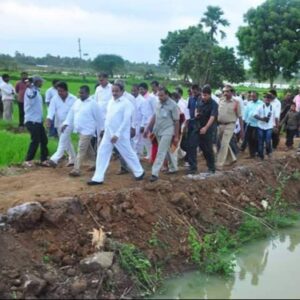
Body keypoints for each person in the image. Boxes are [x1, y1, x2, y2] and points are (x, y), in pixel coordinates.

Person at [88, 83, 145, 185]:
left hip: (120, 135)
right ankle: (98, 177)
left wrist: (117, 134)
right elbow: (108, 118)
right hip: (109, 133)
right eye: (113, 91)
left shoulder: (127, 104)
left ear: (122, 91)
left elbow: (125, 121)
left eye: (116, 91)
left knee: (128, 153)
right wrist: (105, 130)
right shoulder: (111, 102)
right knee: (102, 152)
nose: (114, 93)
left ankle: (139, 172)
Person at [62, 86, 103, 177]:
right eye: (79, 92)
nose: (80, 94)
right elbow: (71, 113)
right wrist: (66, 123)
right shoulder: (77, 102)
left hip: (88, 130)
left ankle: (76, 169)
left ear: (88, 93)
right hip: (79, 129)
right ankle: (94, 163)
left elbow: (99, 118)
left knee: (81, 148)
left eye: (82, 93)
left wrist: (102, 130)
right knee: (88, 148)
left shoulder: (93, 104)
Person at [144, 87, 180, 182]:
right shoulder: (158, 103)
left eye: (162, 95)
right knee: (167, 150)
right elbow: (155, 116)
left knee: (161, 151)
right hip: (158, 130)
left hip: (168, 130)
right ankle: (174, 167)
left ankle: (154, 173)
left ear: (167, 95)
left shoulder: (173, 105)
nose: (160, 97)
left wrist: (176, 136)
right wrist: (148, 128)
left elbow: (177, 121)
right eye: (158, 95)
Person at [46, 82, 77, 167]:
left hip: (69, 123)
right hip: (59, 123)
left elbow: (75, 112)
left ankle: (54, 159)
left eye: (61, 91)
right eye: (58, 91)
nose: (59, 93)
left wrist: (67, 123)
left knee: (62, 141)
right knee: (67, 142)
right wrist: (49, 119)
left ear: (66, 90)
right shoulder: (55, 99)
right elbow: (51, 110)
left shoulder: (73, 99)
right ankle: (73, 159)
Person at [216, 85, 244, 170]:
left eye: (227, 91)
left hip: (230, 125)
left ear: (232, 92)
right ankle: (232, 158)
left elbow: (240, 117)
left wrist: (242, 130)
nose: (225, 93)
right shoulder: (220, 101)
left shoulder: (236, 102)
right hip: (220, 125)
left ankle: (219, 164)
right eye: (224, 91)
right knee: (223, 143)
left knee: (224, 143)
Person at [193, 85, 218, 174]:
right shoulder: (200, 99)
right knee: (202, 147)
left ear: (210, 95)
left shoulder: (214, 104)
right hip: (199, 126)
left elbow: (212, 117)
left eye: (205, 95)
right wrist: (196, 114)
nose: (204, 97)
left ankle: (212, 168)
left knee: (208, 148)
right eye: (203, 95)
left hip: (209, 128)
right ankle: (208, 165)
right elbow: (196, 108)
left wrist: (206, 128)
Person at [23, 76, 48, 167]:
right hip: (31, 120)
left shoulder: (37, 91)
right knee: (35, 140)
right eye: (40, 82)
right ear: (36, 82)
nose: (42, 83)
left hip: (38, 121)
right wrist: (30, 87)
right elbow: (31, 99)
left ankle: (44, 159)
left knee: (44, 140)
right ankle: (28, 160)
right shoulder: (30, 91)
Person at [254, 93, 276, 160]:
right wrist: (261, 118)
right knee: (260, 141)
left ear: (271, 100)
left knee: (268, 141)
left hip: (269, 127)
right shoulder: (259, 106)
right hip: (260, 126)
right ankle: (261, 156)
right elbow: (254, 115)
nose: (267, 99)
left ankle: (269, 152)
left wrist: (274, 126)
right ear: (264, 99)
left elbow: (274, 118)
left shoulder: (273, 108)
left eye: (269, 98)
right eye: (266, 98)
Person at [186, 84, 202, 174]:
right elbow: (188, 111)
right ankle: (192, 165)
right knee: (189, 144)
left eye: (196, 90)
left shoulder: (201, 100)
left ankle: (193, 166)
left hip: (199, 124)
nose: (194, 92)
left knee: (194, 145)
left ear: (199, 90)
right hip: (191, 123)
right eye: (193, 90)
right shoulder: (190, 99)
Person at [139, 82, 158, 160]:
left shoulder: (151, 98)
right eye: (140, 89)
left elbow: (155, 111)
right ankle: (149, 154)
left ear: (146, 89)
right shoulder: (140, 98)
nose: (141, 91)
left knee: (150, 139)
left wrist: (153, 123)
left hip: (150, 122)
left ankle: (153, 156)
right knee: (145, 139)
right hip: (143, 122)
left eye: (142, 89)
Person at [243, 91, 263, 158]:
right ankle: (252, 154)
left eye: (254, 96)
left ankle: (257, 152)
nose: (252, 97)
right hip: (249, 123)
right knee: (249, 139)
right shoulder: (249, 103)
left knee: (256, 139)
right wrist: (244, 120)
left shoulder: (261, 104)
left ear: (257, 96)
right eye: (251, 96)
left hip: (257, 124)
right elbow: (246, 112)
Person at [132, 84, 146, 157]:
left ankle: (138, 156)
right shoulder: (131, 99)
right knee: (134, 140)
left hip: (139, 123)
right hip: (133, 123)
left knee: (139, 140)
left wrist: (142, 125)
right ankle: (135, 155)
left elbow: (144, 114)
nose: (133, 92)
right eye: (132, 91)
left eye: (135, 91)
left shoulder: (142, 100)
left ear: (138, 91)